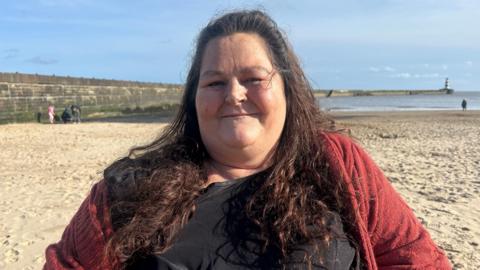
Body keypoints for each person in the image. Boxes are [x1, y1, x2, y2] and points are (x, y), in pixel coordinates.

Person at [44, 10, 451, 269]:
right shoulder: (128, 189)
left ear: (288, 91)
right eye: (215, 81)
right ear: (194, 99)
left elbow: (416, 259)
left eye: (254, 79)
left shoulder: (338, 165)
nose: (234, 94)